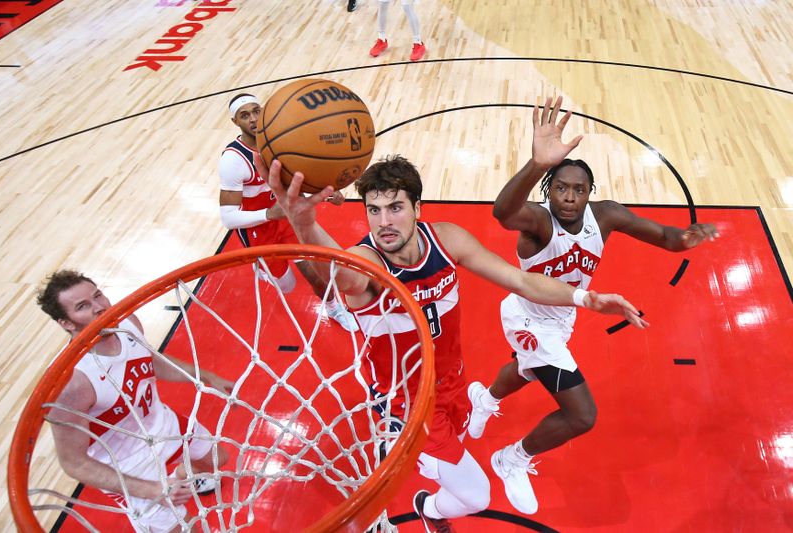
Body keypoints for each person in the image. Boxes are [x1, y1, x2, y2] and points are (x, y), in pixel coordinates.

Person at [261, 153, 647, 531]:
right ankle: (426, 503)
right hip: (407, 404)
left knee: (456, 456)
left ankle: (424, 480)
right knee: (476, 496)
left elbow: (522, 280)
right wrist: (305, 224)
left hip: (452, 384)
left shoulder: (445, 239)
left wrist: (586, 298)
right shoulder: (369, 262)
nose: (384, 222)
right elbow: (344, 276)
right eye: (373, 211)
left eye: (395, 207)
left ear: (418, 208)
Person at [465, 96, 720, 515]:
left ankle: (486, 398)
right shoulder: (538, 220)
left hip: (562, 315)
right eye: (561, 188)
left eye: (578, 190)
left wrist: (689, 236)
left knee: (529, 369)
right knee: (582, 416)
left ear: (589, 193)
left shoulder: (606, 216)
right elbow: (501, 212)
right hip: (528, 315)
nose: (569, 197)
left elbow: (668, 239)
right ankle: (511, 459)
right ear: (551, 190)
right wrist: (536, 164)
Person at [37, 270, 235, 532]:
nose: (100, 307)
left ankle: (185, 482)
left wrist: (205, 376)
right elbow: (73, 462)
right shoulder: (71, 383)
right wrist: (154, 490)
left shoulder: (127, 323)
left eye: (98, 295)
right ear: (67, 323)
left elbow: (148, 361)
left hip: (161, 424)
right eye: (83, 307)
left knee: (217, 459)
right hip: (127, 465)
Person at [218, 93, 358, 332]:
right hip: (258, 230)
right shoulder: (233, 160)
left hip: (287, 220)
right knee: (287, 285)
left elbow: (299, 176)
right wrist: (269, 214)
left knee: (316, 274)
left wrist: (328, 190)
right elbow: (228, 218)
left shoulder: (282, 142)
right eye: (244, 115)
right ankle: (264, 270)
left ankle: (334, 307)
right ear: (235, 122)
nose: (253, 119)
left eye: (256, 111)